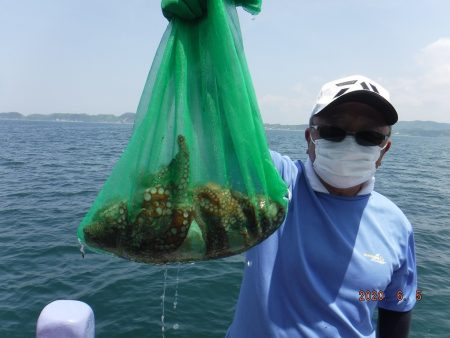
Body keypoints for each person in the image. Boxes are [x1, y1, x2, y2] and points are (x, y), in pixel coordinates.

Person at [226, 75, 417, 338]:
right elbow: (227, 128)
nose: (350, 144)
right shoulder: (276, 182)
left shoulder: (397, 225)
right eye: (333, 131)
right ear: (310, 138)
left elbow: (398, 302)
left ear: (384, 150)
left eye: (369, 136)